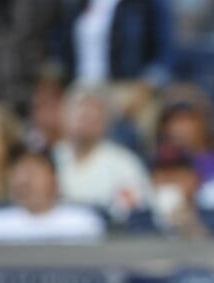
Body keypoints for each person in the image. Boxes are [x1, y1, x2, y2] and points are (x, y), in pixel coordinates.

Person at [52, 85, 152, 217]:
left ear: (106, 122)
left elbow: (137, 209)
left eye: (92, 114)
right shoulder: (49, 157)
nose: (86, 118)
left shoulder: (124, 162)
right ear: (64, 116)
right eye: (81, 112)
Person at [0, 149, 105, 242]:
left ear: (54, 180)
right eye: (18, 173)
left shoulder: (82, 223)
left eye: (32, 172)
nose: (24, 180)